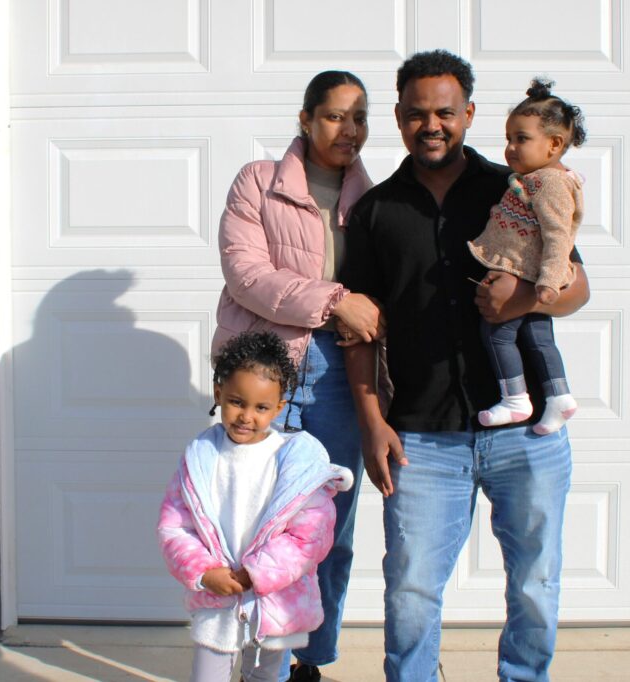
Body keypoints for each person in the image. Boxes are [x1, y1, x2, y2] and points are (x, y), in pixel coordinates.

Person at [338, 50, 590, 682]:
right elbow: (359, 330)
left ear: (468, 114)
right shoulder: (374, 212)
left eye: (446, 113)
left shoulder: (518, 188)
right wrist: (372, 422)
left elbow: (579, 284)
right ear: (398, 118)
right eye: (417, 114)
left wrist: (525, 297)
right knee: (410, 594)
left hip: (527, 433)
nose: (432, 125)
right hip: (422, 437)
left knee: (535, 583)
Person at [212, 70, 383, 682]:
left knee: (325, 528)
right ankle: (248, 658)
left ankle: (308, 660)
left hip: (341, 374)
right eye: (335, 115)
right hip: (266, 370)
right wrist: (335, 299)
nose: (349, 129)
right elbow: (246, 276)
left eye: (360, 117)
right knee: (253, 522)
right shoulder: (257, 182)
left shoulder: (375, 198)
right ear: (306, 119)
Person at [157, 331, 354, 682]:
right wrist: (204, 573)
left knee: (266, 677)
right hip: (218, 594)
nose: (246, 416)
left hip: (278, 597)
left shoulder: (295, 460)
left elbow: (309, 536)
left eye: (261, 407)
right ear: (218, 393)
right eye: (236, 401)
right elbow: (175, 526)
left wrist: (257, 573)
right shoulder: (201, 457)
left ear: (280, 406)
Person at [467, 78, 586, 435]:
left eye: (522, 139)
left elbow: (557, 237)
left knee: (497, 335)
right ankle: (558, 397)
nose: (511, 148)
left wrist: (547, 283)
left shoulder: (550, 184)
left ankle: (516, 398)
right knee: (538, 338)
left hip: (533, 276)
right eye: (508, 139)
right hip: (533, 275)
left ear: (554, 144)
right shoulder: (535, 179)